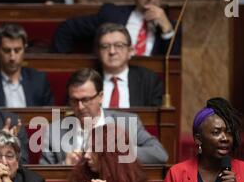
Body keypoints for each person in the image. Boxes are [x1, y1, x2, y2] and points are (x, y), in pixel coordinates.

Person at [39, 68, 168, 165]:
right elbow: (43, 175)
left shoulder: (128, 123)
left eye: (86, 99)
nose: (80, 107)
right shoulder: (54, 131)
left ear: (101, 96)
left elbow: (159, 154)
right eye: (74, 100)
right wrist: (64, 165)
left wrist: (117, 153)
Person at [53, 0, 180, 56]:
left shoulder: (171, 26)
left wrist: (167, 30)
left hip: (146, 85)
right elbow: (67, 28)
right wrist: (67, 65)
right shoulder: (111, 14)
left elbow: (173, 64)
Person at [95, 23, 163, 108]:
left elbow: (154, 117)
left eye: (119, 45)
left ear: (130, 51)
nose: (112, 51)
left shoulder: (149, 80)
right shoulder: (89, 80)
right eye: (105, 47)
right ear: (98, 52)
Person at [0, 23, 53, 108]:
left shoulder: (39, 80)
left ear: (24, 48)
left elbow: (51, 116)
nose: (12, 57)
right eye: (6, 50)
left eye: (17, 50)